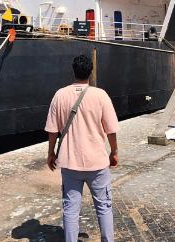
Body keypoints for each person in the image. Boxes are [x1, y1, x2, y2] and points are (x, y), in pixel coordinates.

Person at [45, 54, 119, 242]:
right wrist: (114, 152)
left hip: (70, 163)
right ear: (90, 72)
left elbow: (52, 130)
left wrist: (51, 153)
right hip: (97, 163)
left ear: (73, 71)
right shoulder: (100, 95)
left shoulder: (59, 95)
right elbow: (111, 130)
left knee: (70, 209)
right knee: (104, 206)